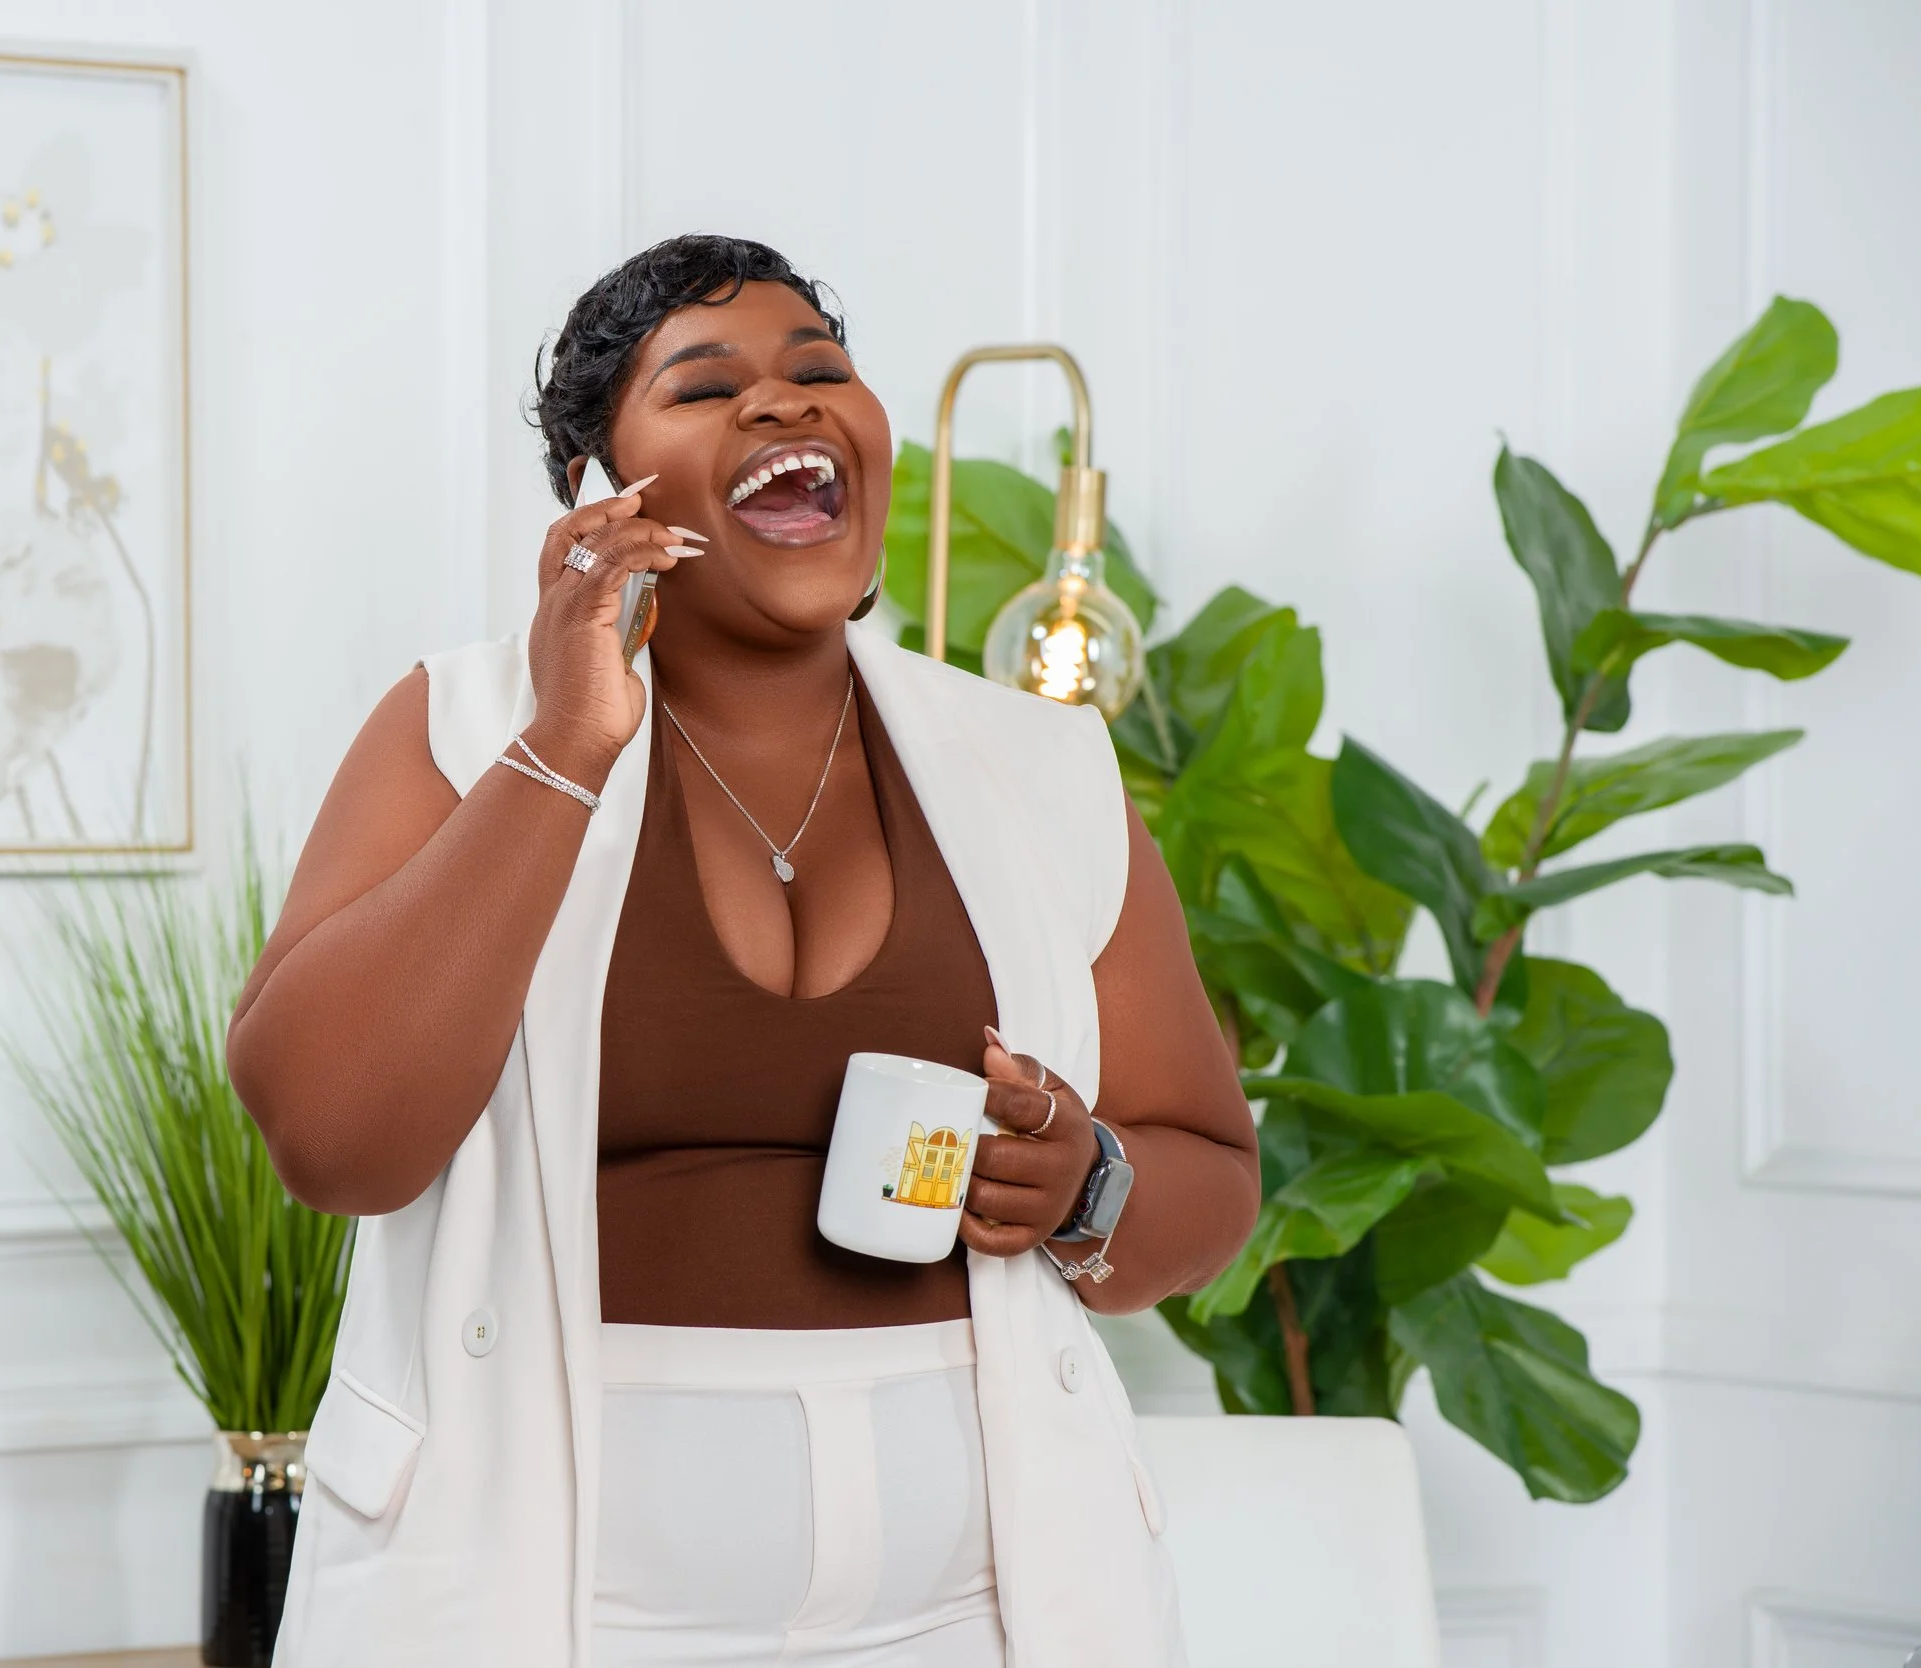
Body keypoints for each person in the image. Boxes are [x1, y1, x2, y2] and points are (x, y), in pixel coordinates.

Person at [229, 234, 1259, 1668]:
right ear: (602, 485)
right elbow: (334, 1142)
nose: (784, 406)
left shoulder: (1044, 766)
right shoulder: (456, 737)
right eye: (706, 389)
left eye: (821, 371)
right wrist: (568, 740)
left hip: (980, 1620)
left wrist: (1086, 1183)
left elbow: (1211, 1184)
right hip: (561, 1617)